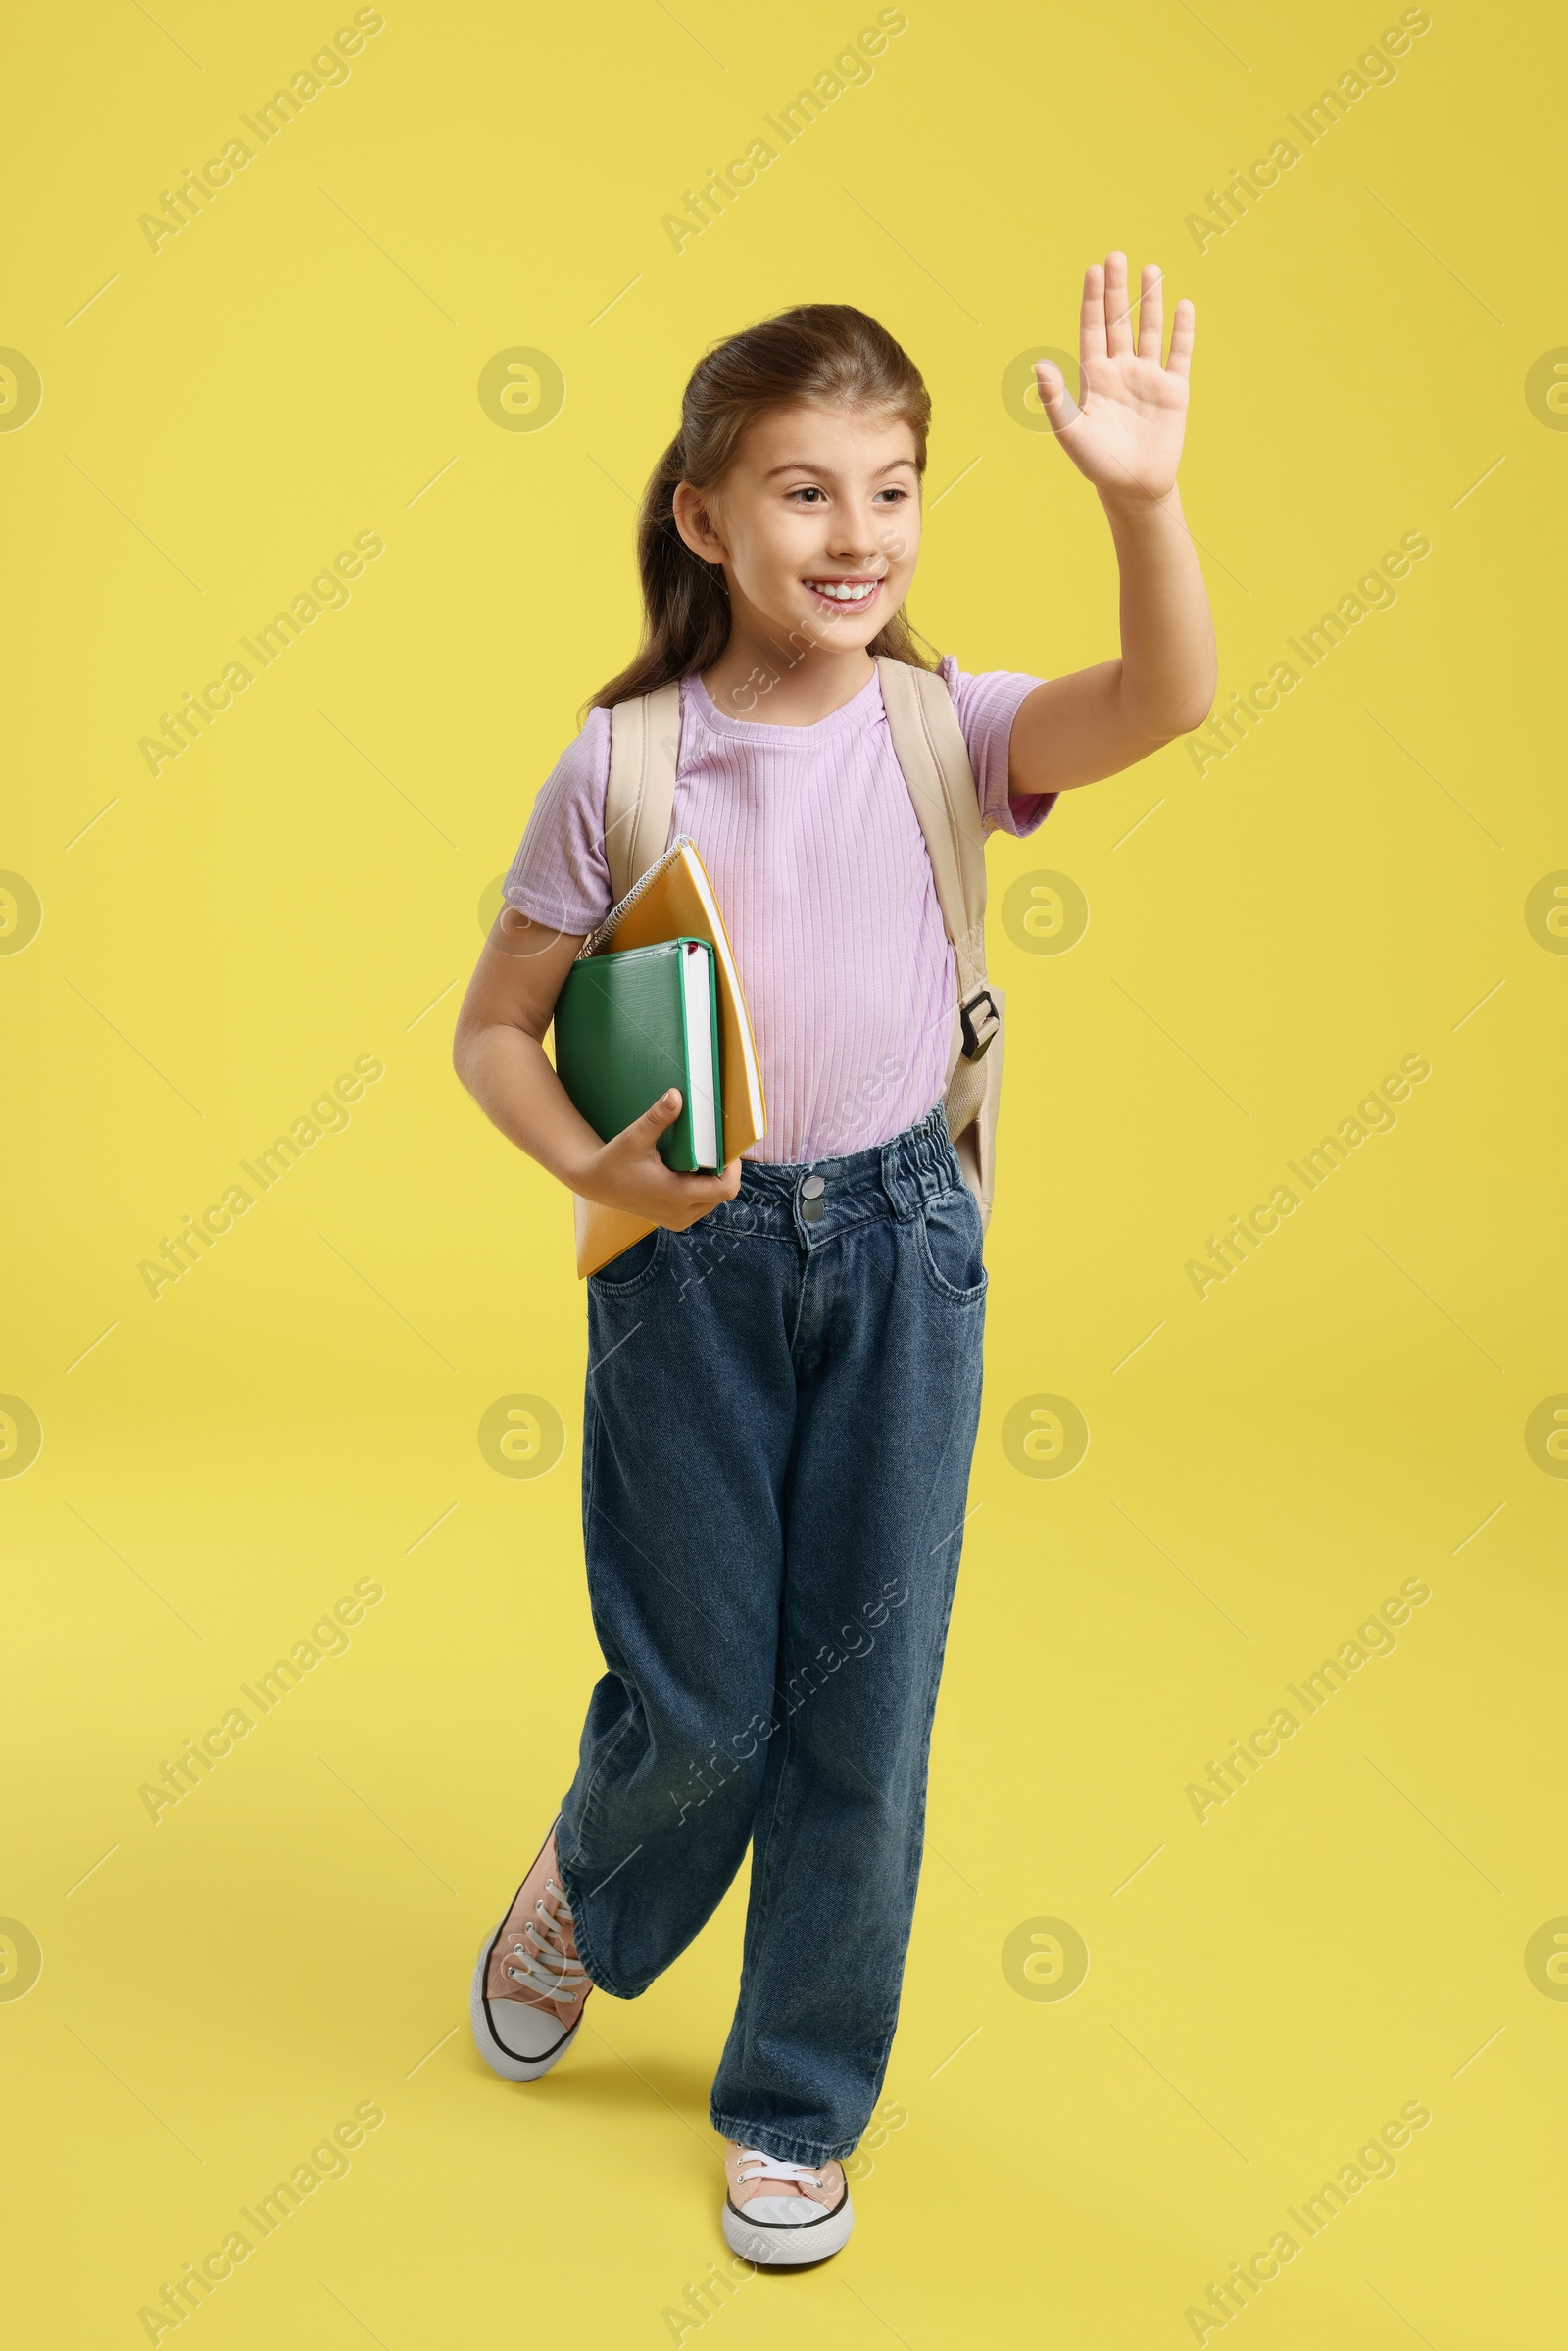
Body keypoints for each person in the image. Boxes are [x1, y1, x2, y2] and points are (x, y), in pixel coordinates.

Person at [452, 260, 1215, 2267]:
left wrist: (1139, 499)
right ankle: (589, 1887)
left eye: (889, 489)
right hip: (685, 1274)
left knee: (858, 1718)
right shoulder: (620, 769)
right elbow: (489, 1031)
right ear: (702, 515)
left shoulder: (942, 735)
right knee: (700, 1705)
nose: (855, 534)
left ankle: (793, 2099)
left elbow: (1165, 699)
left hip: (901, 1253)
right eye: (803, 491)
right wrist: (582, 1160)